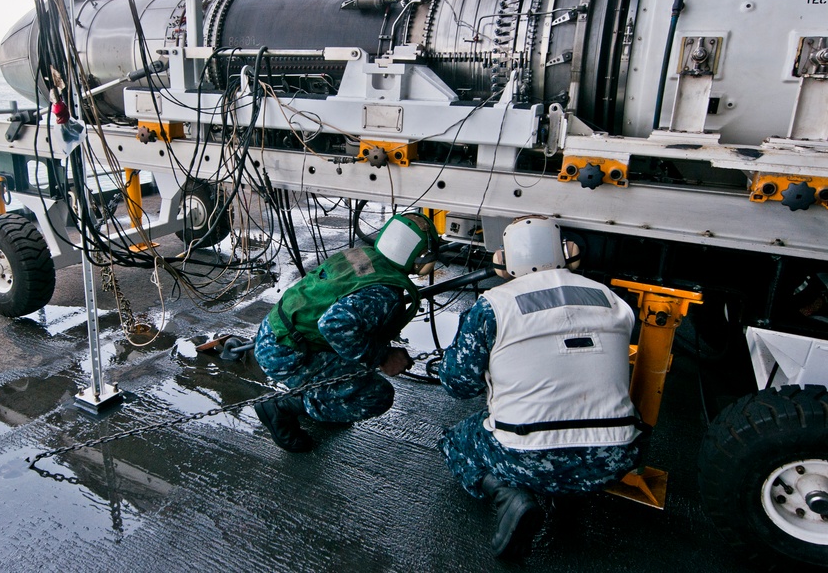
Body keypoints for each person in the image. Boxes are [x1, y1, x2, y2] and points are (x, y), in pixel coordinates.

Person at [438, 215, 645, 557]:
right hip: (615, 459)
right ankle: (565, 490)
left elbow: (457, 384)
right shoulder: (611, 299)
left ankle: (508, 494)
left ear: (503, 263)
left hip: (526, 459)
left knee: (455, 441)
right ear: (567, 252)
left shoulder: (493, 306)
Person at [252, 212, 440, 452]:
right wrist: (383, 357)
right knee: (377, 394)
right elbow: (334, 324)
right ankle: (285, 407)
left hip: (274, 334)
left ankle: (318, 399)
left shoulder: (362, 255)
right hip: (287, 354)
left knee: (358, 352)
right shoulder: (384, 293)